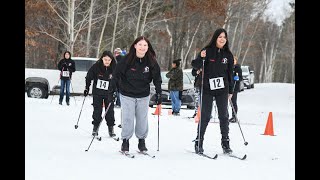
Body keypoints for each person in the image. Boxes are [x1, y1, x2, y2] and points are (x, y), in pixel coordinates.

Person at [109, 36, 162, 153]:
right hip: (127, 94)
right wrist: (112, 91)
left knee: (142, 119)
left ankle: (141, 141)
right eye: (140, 45)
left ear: (148, 47)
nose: (142, 47)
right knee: (127, 118)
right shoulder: (126, 60)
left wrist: (159, 92)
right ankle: (125, 141)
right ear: (135, 46)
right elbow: (116, 75)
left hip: (143, 94)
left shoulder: (151, 61)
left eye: (145, 45)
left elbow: (157, 78)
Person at [191, 28, 234, 154]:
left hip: (222, 89)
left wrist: (231, 90)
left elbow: (230, 74)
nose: (222, 39)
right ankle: (199, 141)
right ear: (215, 38)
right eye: (220, 37)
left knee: (224, 116)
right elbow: (195, 65)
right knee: (205, 115)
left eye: (224, 37)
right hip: (207, 88)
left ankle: (225, 142)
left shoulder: (228, 55)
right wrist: (201, 58)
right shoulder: (207, 51)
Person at [84, 50, 117, 137]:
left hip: (109, 93)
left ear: (111, 60)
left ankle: (111, 129)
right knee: (97, 111)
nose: (107, 61)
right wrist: (87, 88)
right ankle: (95, 129)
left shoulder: (114, 67)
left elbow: (118, 80)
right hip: (97, 93)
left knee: (109, 112)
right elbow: (88, 77)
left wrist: (115, 92)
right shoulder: (96, 66)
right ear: (102, 58)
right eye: (105, 59)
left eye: (109, 60)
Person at [229, 56, 243, 123]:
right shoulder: (228, 67)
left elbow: (240, 77)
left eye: (234, 60)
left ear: (236, 61)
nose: (233, 61)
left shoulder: (238, 68)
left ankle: (234, 116)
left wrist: (237, 78)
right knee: (226, 102)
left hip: (234, 87)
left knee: (233, 102)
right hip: (228, 87)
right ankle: (225, 116)